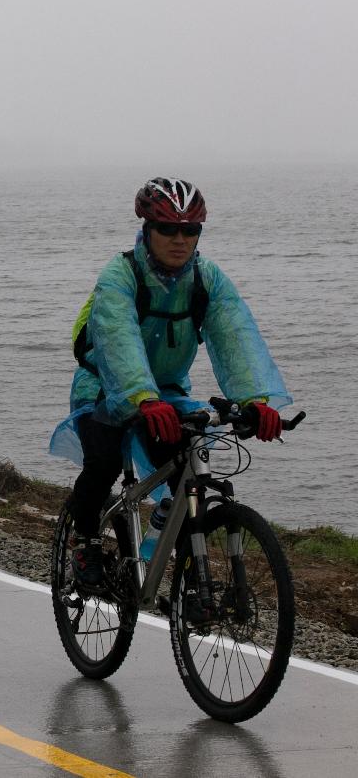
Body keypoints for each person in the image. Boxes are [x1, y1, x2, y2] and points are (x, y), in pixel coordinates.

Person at [49, 178, 292, 586]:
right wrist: (142, 398)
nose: (180, 239)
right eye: (168, 229)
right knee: (104, 462)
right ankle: (84, 542)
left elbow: (235, 338)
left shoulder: (206, 278)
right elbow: (117, 339)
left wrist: (256, 401)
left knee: (187, 477)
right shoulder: (121, 274)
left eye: (190, 230)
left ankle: (183, 580)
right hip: (105, 387)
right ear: (146, 228)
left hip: (166, 395)